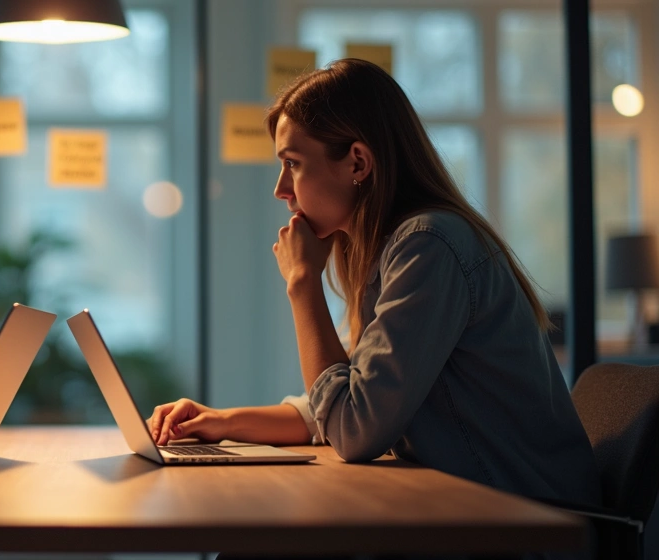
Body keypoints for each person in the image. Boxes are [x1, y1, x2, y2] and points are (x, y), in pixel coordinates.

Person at [147, 59, 600, 507]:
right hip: (482, 507)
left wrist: (303, 283)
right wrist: (219, 422)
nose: (281, 188)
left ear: (358, 162)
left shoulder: (428, 245)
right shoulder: (396, 248)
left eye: (293, 163)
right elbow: (337, 405)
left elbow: (352, 428)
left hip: (531, 526)